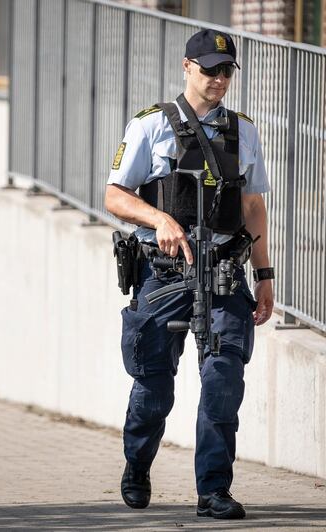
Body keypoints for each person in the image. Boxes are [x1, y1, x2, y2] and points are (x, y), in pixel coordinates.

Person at [104, 30, 274, 519]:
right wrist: (160, 219)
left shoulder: (244, 131)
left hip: (223, 273)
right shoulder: (151, 125)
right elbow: (115, 195)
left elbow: (252, 206)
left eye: (226, 71)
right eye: (210, 70)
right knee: (154, 386)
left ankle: (213, 491)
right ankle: (137, 465)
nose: (219, 80)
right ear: (187, 67)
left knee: (223, 383)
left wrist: (264, 276)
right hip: (165, 276)